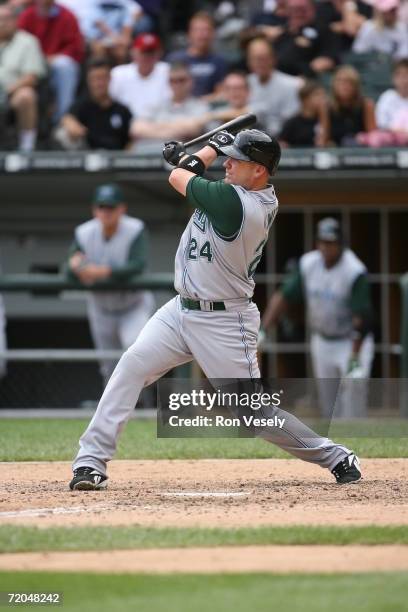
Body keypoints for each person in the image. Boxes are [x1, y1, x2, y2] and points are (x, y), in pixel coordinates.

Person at [69, 129, 362, 491]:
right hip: (180, 311)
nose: (229, 162)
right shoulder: (234, 191)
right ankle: (90, 461)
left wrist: (204, 149)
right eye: (228, 155)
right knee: (130, 367)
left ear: (260, 171)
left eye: (237, 159)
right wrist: (200, 155)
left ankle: (336, 456)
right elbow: (189, 174)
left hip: (225, 321)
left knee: (254, 415)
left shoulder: (241, 205)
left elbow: (179, 176)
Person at [261, 217, 374, 418]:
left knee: (353, 394)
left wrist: (355, 356)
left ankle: (356, 439)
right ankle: (336, 444)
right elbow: (283, 296)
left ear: (340, 244)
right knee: (329, 404)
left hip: (351, 340)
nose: (326, 247)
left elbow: (362, 316)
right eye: (322, 242)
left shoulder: (354, 270)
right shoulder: (309, 263)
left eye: (331, 243)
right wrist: (264, 328)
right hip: (322, 339)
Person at [67, 183, 155, 386]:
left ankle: (143, 406)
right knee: (108, 365)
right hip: (101, 309)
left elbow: (137, 265)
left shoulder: (135, 229)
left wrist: (101, 271)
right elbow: (69, 268)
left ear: (122, 209)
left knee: (135, 354)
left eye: (111, 207)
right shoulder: (84, 232)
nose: (106, 212)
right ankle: (114, 413)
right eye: (101, 207)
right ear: (94, 209)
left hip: (133, 306)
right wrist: (75, 266)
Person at [18, 0, 84, 122]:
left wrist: (53, 57)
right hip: (30, 62)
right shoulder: (27, 15)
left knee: (65, 66)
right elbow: (19, 42)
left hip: (57, 61)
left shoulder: (67, 15)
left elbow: (75, 47)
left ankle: (63, 118)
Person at [56, 58, 132, 150]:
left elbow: (130, 141)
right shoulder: (82, 106)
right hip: (87, 158)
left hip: (116, 159)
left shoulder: (122, 110)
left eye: (102, 78)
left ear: (110, 79)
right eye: (94, 79)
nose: (99, 84)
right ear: (88, 81)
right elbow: (67, 118)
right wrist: (69, 123)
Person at [0, 4, 46, 152]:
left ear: (16, 20)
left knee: (26, 95)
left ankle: (27, 147)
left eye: (7, 18)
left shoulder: (27, 41)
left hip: (12, 93)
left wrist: (6, 91)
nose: (2, 23)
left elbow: (31, 77)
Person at [130, 62, 209, 147]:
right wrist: (177, 128)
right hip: (151, 156)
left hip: (184, 157)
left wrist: (154, 127)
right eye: (172, 81)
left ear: (191, 82)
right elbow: (136, 129)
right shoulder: (157, 105)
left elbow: (192, 129)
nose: (177, 84)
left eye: (181, 80)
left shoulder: (200, 106)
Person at [246, 37, 302, 136]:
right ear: (249, 61)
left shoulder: (292, 84)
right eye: (256, 59)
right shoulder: (245, 82)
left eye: (264, 58)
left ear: (273, 59)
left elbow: (292, 120)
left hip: (283, 140)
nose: (261, 63)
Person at [109, 32, 171, 119]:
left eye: (151, 53)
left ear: (159, 53)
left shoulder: (168, 71)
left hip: (161, 123)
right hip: (127, 125)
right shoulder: (118, 74)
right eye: (143, 52)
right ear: (133, 52)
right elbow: (108, 103)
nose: (147, 56)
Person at [272, 0, 340, 77]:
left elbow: (328, 59)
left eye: (302, 10)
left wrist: (308, 73)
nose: (298, 14)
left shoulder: (323, 30)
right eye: (293, 10)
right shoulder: (283, 33)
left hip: (305, 79)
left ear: (312, 9)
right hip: (277, 76)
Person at [166, 11, 227, 98]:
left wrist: (199, 103)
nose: (203, 35)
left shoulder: (219, 61)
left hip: (208, 108)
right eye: (198, 30)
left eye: (207, 30)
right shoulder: (174, 59)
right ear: (189, 33)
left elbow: (221, 93)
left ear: (213, 34)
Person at [82, 0, 144, 65]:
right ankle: (101, 72)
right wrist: (115, 39)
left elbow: (127, 28)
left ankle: (120, 72)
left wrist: (123, 40)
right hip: (99, 38)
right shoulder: (94, 7)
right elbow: (100, 25)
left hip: (117, 39)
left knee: (121, 50)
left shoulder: (123, 7)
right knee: (98, 48)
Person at [328, 65, 376, 146]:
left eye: (349, 82)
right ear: (334, 85)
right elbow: (324, 139)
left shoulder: (366, 105)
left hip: (362, 153)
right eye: (340, 82)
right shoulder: (327, 107)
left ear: (356, 86)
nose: (344, 86)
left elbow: (373, 138)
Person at [279, 80, 329, 147]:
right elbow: (282, 143)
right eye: (317, 95)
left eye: (323, 95)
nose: (322, 99)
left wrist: (323, 115)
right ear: (305, 99)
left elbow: (322, 143)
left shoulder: (327, 119)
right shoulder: (292, 123)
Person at [375, 58, 408, 133]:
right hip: (389, 142)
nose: (405, 80)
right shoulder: (386, 97)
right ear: (394, 78)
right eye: (401, 76)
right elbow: (381, 124)